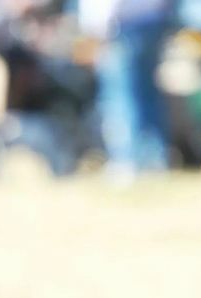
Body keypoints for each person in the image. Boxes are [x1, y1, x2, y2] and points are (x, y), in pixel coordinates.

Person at [78, 0, 171, 179]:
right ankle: (153, 158)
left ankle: (126, 158)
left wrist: (97, 28)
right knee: (147, 94)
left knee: (119, 97)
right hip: (152, 19)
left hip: (120, 26)